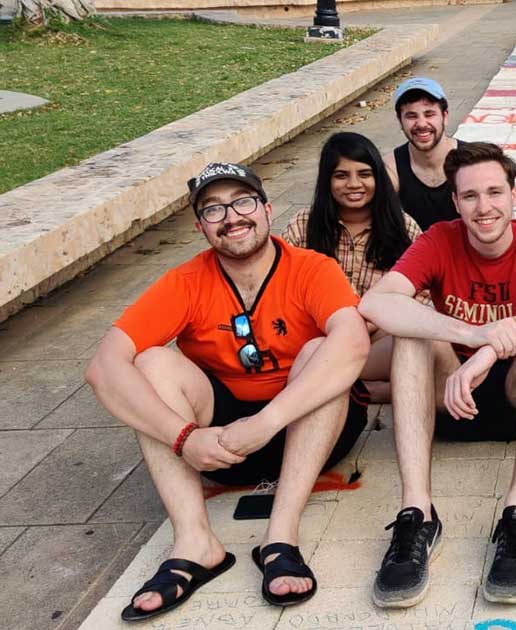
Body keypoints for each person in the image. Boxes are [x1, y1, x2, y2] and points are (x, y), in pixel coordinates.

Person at [85, 163, 371, 621]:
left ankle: (280, 536)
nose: (231, 217)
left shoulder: (312, 268)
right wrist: (183, 437)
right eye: (213, 209)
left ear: (266, 209)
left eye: (242, 202)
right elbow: (103, 366)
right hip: (219, 446)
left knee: (325, 349)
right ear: (200, 227)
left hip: (307, 429)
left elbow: (355, 341)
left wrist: (267, 421)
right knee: (151, 360)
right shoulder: (185, 281)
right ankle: (196, 543)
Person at [359, 142, 516, 607]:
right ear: (454, 201)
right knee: (410, 332)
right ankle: (417, 513)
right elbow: (376, 303)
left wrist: (490, 350)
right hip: (451, 398)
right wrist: (473, 332)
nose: (483, 208)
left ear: (513, 195)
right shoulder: (438, 239)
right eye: (470, 196)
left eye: (493, 193)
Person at [282, 131, 422, 401]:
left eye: (364, 174)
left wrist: (369, 322)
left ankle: (339, 386)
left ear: (378, 178)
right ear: (327, 181)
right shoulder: (303, 225)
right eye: (341, 175)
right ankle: (367, 391)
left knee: (421, 342)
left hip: (381, 342)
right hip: (321, 338)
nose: (354, 184)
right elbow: (283, 286)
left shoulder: (403, 227)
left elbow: (423, 294)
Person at [383, 76, 460, 230]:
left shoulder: (473, 161)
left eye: (429, 114)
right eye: (411, 116)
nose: (422, 124)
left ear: (445, 116)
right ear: (400, 121)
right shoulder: (390, 168)